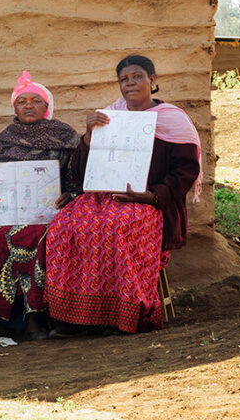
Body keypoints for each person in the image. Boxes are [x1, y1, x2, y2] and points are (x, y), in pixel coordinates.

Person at [44, 55, 201, 335]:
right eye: (124, 79)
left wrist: (152, 195)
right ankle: (74, 319)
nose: (130, 84)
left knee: (117, 227)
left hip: (150, 203)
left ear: (152, 81)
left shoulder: (173, 120)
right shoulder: (109, 117)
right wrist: (89, 138)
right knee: (64, 226)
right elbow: (82, 175)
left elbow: (186, 172)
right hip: (104, 197)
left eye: (137, 77)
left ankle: (120, 315)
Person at [0, 72, 80, 347]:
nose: (28, 105)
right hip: (9, 216)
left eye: (35, 100)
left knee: (28, 236)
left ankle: (35, 317)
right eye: (22, 101)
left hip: (52, 216)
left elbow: (78, 180)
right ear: (14, 107)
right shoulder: (4, 140)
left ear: (46, 106)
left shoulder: (66, 136)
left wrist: (69, 195)